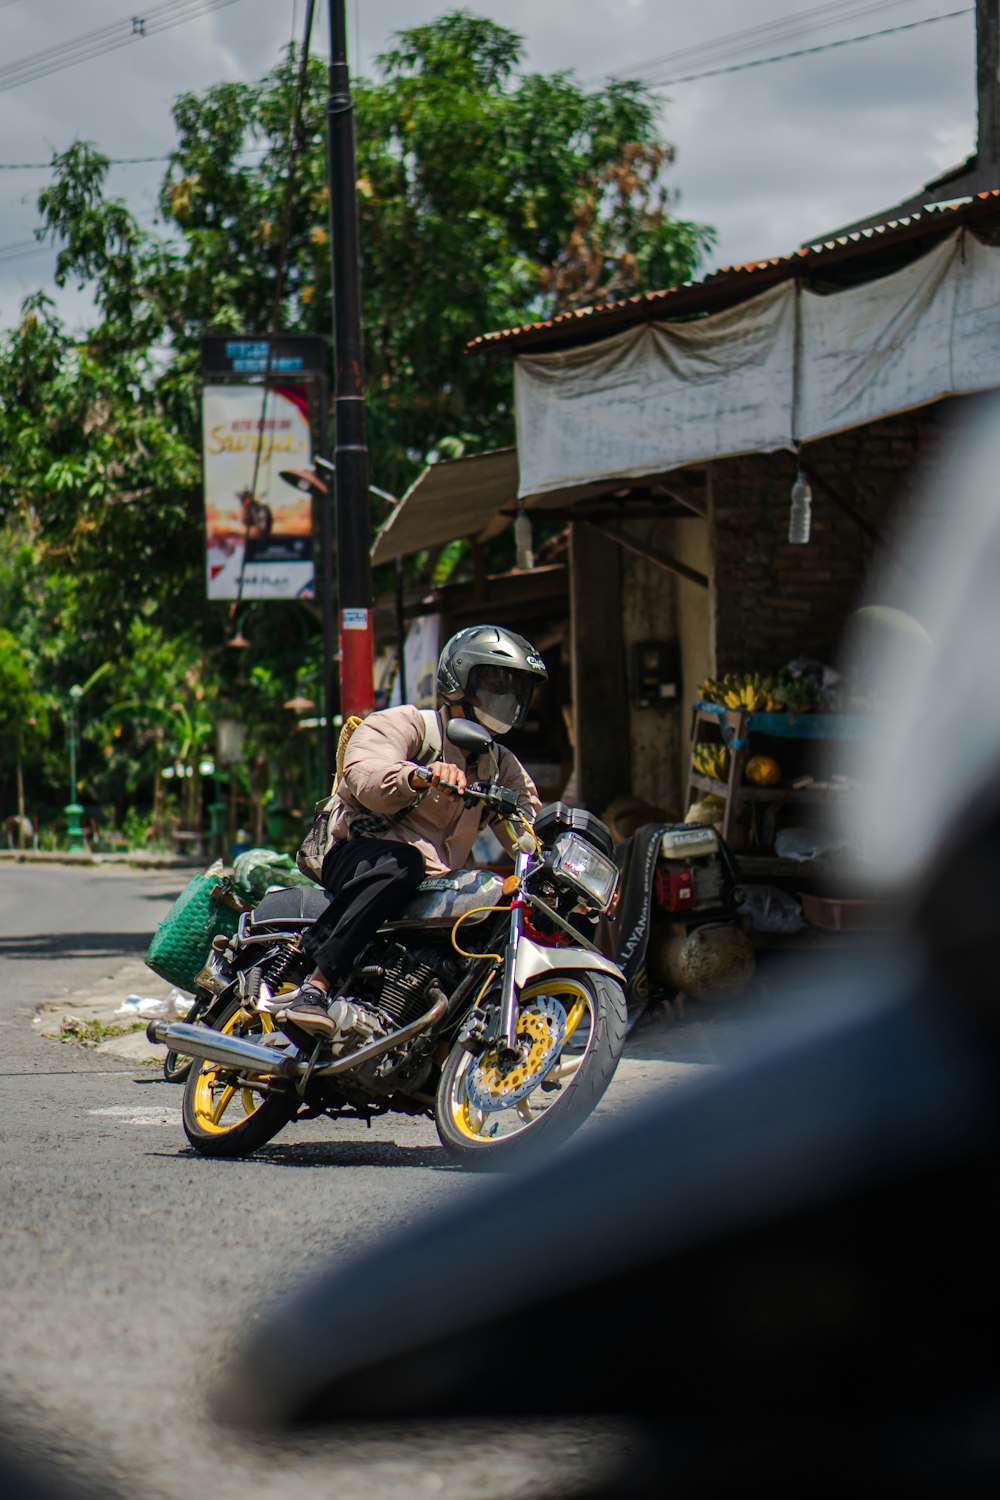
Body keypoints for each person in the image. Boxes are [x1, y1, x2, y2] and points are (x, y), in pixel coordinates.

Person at [281, 625, 547, 1038]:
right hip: (362, 855)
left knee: (496, 904)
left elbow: (528, 828)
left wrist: (558, 867)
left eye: (516, 688)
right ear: (462, 679)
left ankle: (436, 1036)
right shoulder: (409, 725)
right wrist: (419, 776)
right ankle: (315, 986)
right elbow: (364, 775)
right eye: (496, 683)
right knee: (402, 863)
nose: (506, 697)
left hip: (436, 881)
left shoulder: (499, 763)